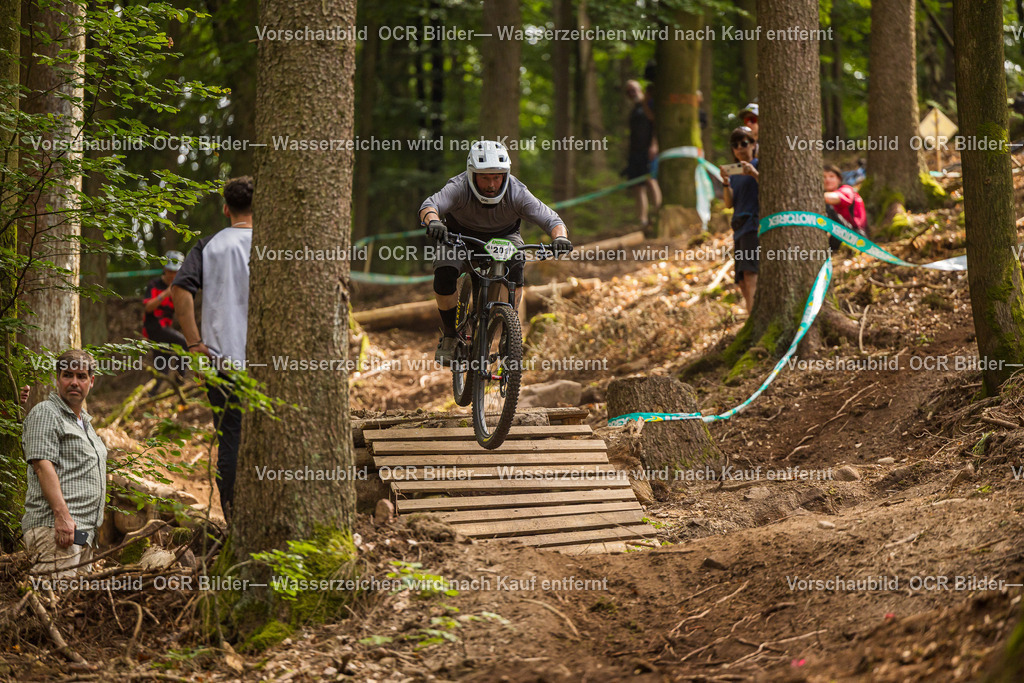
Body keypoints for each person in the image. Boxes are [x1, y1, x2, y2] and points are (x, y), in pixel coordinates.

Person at [419, 140, 572, 366]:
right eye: (485, 177)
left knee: (517, 262)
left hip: (504, 238)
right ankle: (451, 335)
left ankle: (509, 327)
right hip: (460, 238)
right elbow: (429, 206)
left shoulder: (517, 191)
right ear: (472, 174)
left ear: (505, 174)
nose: (492, 184)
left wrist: (560, 238)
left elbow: (552, 219)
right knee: (444, 270)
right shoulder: (459, 187)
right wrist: (434, 222)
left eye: (497, 177)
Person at [171, 177, 253, 519]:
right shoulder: (280, 244)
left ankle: (234, 515)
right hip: (274, 360)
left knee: (230, 436)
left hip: (220, 359)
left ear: (225, 208)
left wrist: (194, 344)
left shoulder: (210, 245)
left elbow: (180, 289)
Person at [22, 350, 107, 579]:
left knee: (73, 611)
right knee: (52, 606)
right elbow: (42, 465)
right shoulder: (46, 413)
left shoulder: (85, 424)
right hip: (56, 530)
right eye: (68, 375)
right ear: (57, 378)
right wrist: (62, 517)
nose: (74, 382)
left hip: (82, 535)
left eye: (81, 376)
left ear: (91, 381)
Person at [720, 126, 760, 312]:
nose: (740, 148)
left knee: (751, 274)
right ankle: (751, 317)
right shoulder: (734, 173)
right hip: (739, 228)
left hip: (754, 225)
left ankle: (752, 320)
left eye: (744, 143)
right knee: (742, 280)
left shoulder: (759, 164)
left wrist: (753, 172)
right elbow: (729, 203)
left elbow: (770, 188)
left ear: (753, 144)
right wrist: (726, 183)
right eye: (735, 145)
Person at [624, 80, 662, 228]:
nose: (632, 93)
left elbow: (656, 124)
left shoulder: (648, 105)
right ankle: (643, 220)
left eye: (634, 89)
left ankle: (658, 214)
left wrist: (654, 145)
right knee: (637, 186)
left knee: (651, 181)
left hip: (649, 150)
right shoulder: (634, 110)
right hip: (635, 152)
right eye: (628, 91)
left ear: (639, 89)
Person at [143, 250, 188, 378]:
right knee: (184, 343)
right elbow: (148, 308)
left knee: (162, 370)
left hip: (166, 330)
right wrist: (166, 293)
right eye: (170, 271)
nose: (172, 275)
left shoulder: (179, 288)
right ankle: (180, 378)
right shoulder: (154, 285)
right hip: (154, 329)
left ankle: (154, 393)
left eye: (176, 272)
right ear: (164, 269)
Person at [824, 164, 868, 240]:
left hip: (856, 235)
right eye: (823, 177)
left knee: (828, 207)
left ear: (839, 179)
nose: (827, 180)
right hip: (838, 235)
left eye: (831, 176)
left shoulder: (846, 189)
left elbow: (838, 198)